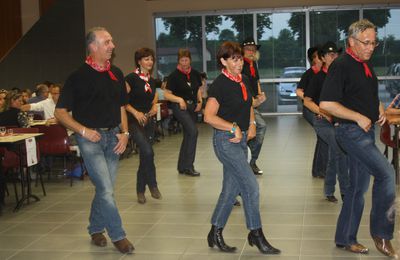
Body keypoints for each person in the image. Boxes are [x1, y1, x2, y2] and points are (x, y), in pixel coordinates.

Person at [320, 19, 396, 257]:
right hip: (350, 132)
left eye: (374, 43)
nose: (371, 47)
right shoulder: (341, 65)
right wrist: (358, 117)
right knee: (387, 174)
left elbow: (365, 95)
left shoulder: (364, 65)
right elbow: (326, 104)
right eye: (366, 42)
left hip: (363, 133)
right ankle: (382, 234)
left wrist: (379, 107)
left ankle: (345, 238)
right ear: (351, 41)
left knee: (356, 188)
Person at [54, 27, 134, 254]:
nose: (113, 46)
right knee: (107, 190)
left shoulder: (116, 73)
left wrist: (125, 133)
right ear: (93, 46)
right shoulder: (77, 77)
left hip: (114, 138)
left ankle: (95, 228)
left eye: (112, 41)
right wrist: (83, 131)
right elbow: (60, 113)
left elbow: (121, 107)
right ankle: (118, 235)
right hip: (90, 140)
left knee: (104, 189)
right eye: (107, 42)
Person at [204, 41, 280, 255]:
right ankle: (255, 233)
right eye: (234, 59)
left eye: (240, 59)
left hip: (242, 139)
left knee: (230, 190)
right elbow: (208, 116)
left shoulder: (244, 79)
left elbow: (247, 104)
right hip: (225, 141)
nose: (239, 63)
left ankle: (215, 231)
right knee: (251, 187)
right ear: (223, 61)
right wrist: (233, 127)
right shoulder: (219, 84)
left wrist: (252, 124)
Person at [303, 41, 348, 203]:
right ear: (322, 58)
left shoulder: (340, 76)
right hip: (321, 121)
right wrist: (322, 111)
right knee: (340, 150)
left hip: (339, 121)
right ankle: (344, 190)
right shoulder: (317, 78)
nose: (334, 57)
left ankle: (329, 190)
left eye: (336, 54)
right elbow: (307, 101)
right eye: (330, 55)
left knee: (335, 154)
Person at [125, 47, 161, 204]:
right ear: (139, 61)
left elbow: (154, 97)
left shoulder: (152, 80)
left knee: (146, 155)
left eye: (151, 59)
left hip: (148, 121)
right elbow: (122, 101)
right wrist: (135, 112)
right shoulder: (131, 78)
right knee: (147, 151)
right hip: (133, 121)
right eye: (146, 59)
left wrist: (154, 107)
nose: (150, 62)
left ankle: (141, 190)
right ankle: (152, 184)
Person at [164, 48, 202, 176]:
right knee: (193, 132)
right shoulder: (174, 76)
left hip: (193, 107)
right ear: (178, 61)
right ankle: (189, 166)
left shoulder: (196, 74)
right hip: (179, 107)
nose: (184, 63)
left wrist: (200, 102)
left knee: (188, 135)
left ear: (190, 60)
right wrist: (179, 99)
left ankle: (181, 166)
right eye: (182, 60)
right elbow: (167, 95)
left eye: (186, 60)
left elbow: (198, 90)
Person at [241, 37, 267, 175]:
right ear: (242, 51)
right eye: (248, 49)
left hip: (253, 103)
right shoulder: (240, 64)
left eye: (253, 49)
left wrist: (259, 94)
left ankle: (249, 161)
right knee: (260, 126)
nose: (251, 52)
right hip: (244, 103)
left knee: (254, 129)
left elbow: (256, 81)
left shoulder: (253, 64)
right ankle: (248, 161)